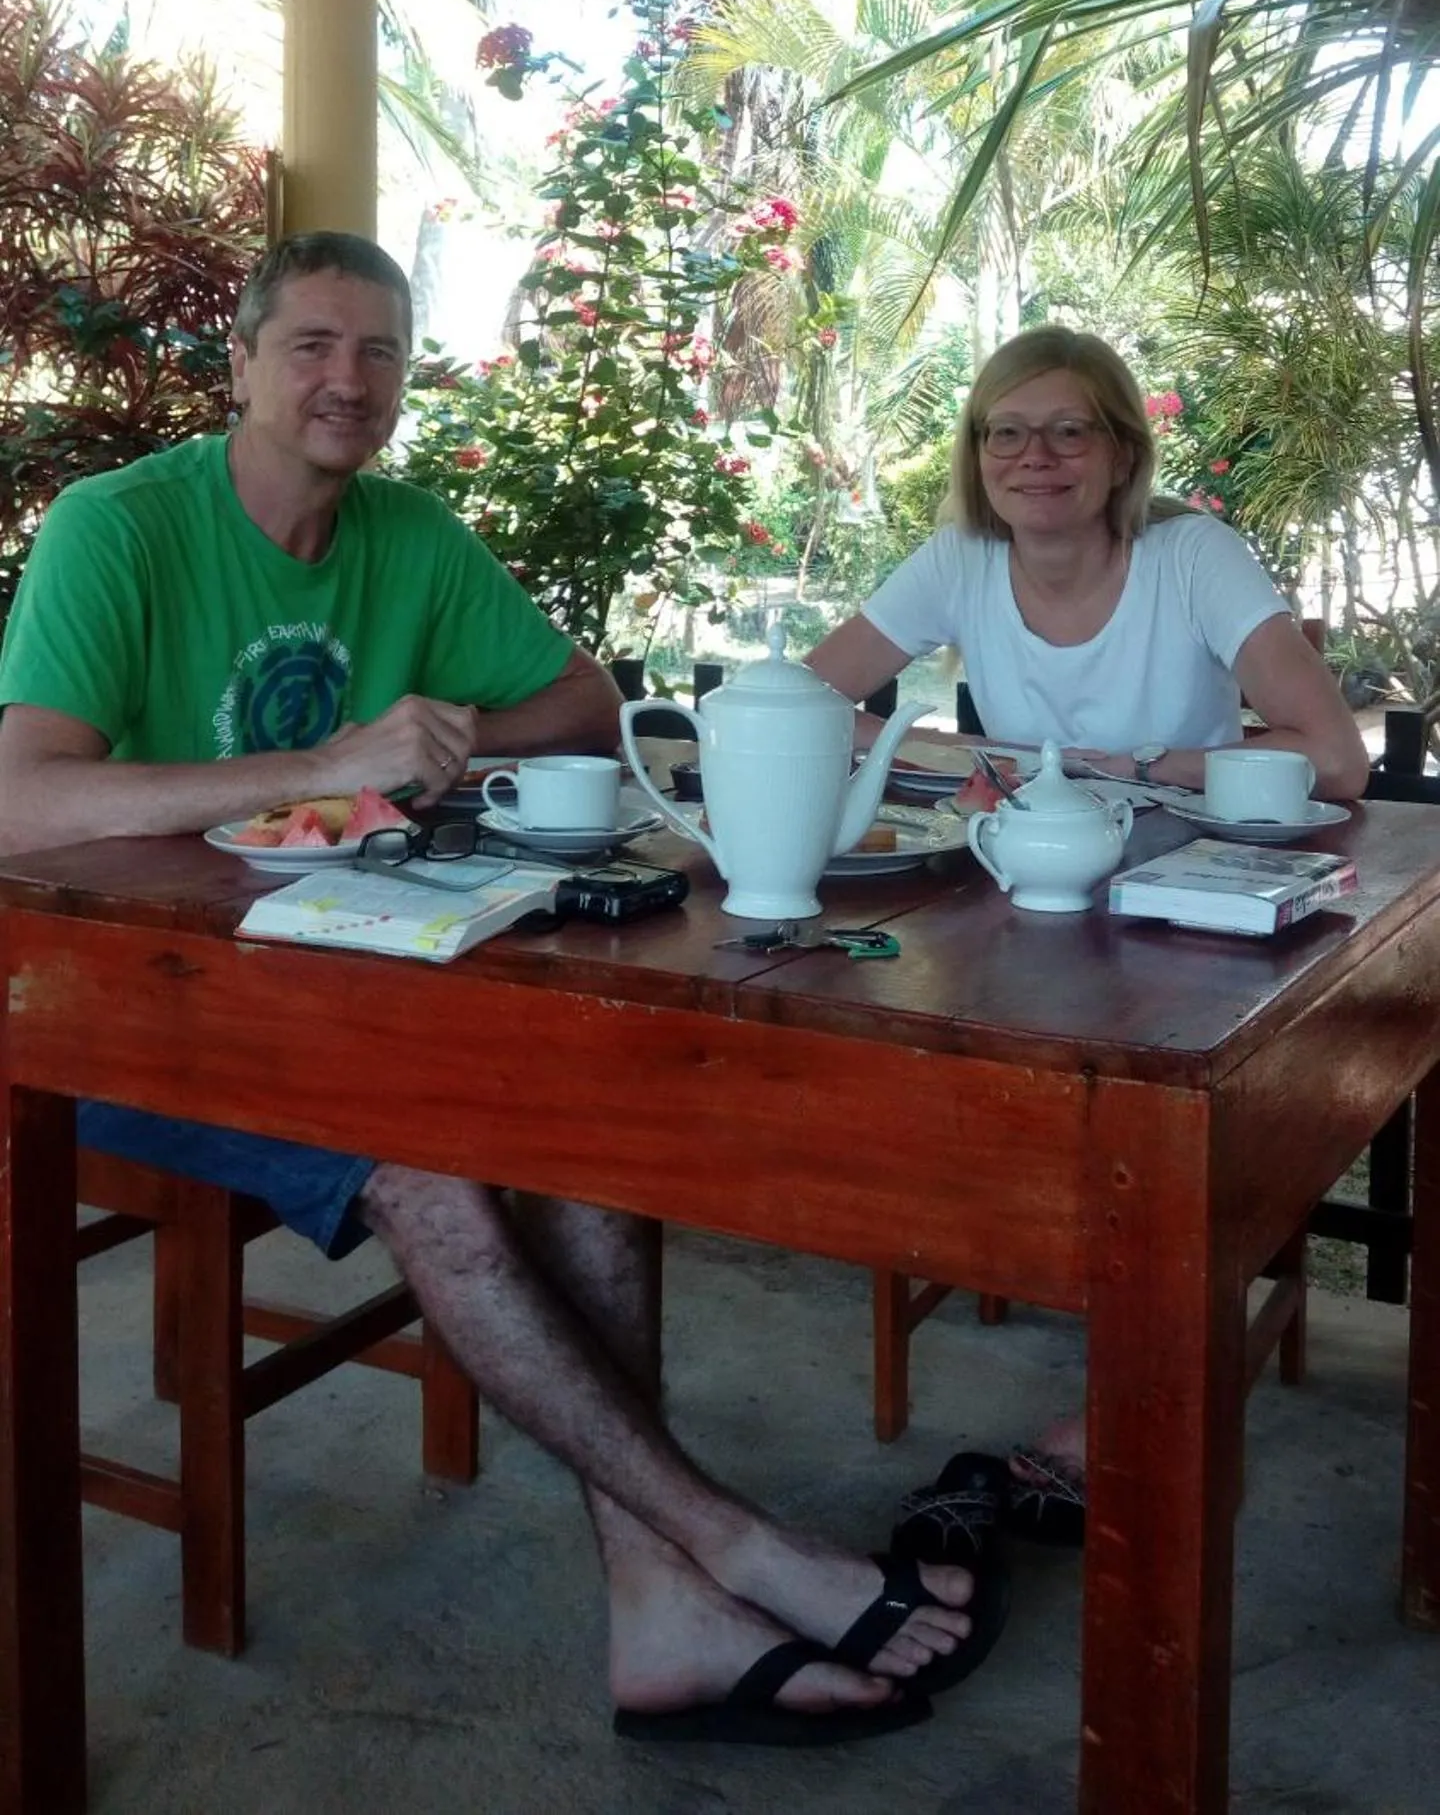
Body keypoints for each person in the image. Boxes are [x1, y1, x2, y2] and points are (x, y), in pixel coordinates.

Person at [0, 229, 990, 1746]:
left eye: (380, 351)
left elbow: (585, 703)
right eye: (314, 344)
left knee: (577, 1140)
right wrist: (327, 762)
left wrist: (450, 730)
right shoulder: (116, 525)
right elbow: (21, 803)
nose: (349, 379)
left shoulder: (405, 529)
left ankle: (657, 1606)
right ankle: (722, 1542)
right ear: (244, 362)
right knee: (437, 1170)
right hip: (131, 1011)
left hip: (351, 976)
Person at [807, 323, 1370, 1540]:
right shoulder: (958, 560)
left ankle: (1137, 1389)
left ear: (1121, 452)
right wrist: (946, 754)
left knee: (1176, 1141)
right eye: (1007, 431)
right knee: (891, 1061)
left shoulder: (1192, 557)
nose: (1037, 455)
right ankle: (1083, 1307)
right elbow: (805, 697)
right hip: (1026, 897)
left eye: (1070, 430)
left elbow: (1336, 760)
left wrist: (1137, 764)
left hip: (1192, 914)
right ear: (977, 456)